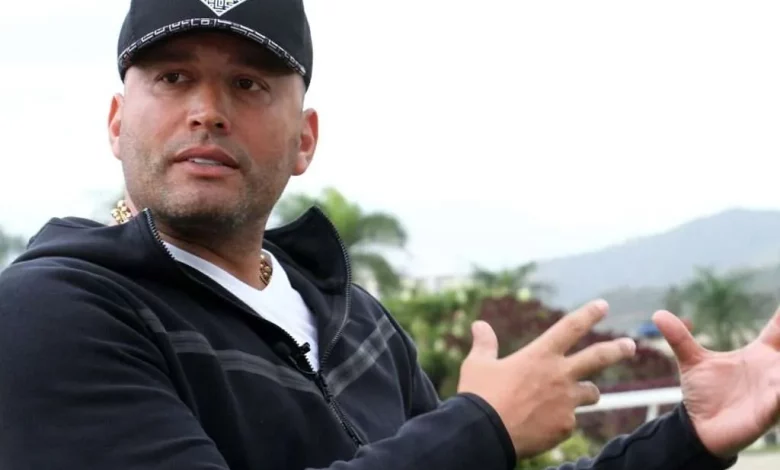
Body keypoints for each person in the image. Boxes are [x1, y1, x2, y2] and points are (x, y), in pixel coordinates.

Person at [0, 0, 778, 468]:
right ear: (116, 121)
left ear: (305, 140)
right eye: (173, 78)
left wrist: (690, 439)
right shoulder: (54, 311)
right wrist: (481, 429)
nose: (207, 110)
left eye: (248, 84)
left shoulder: (356, 320)